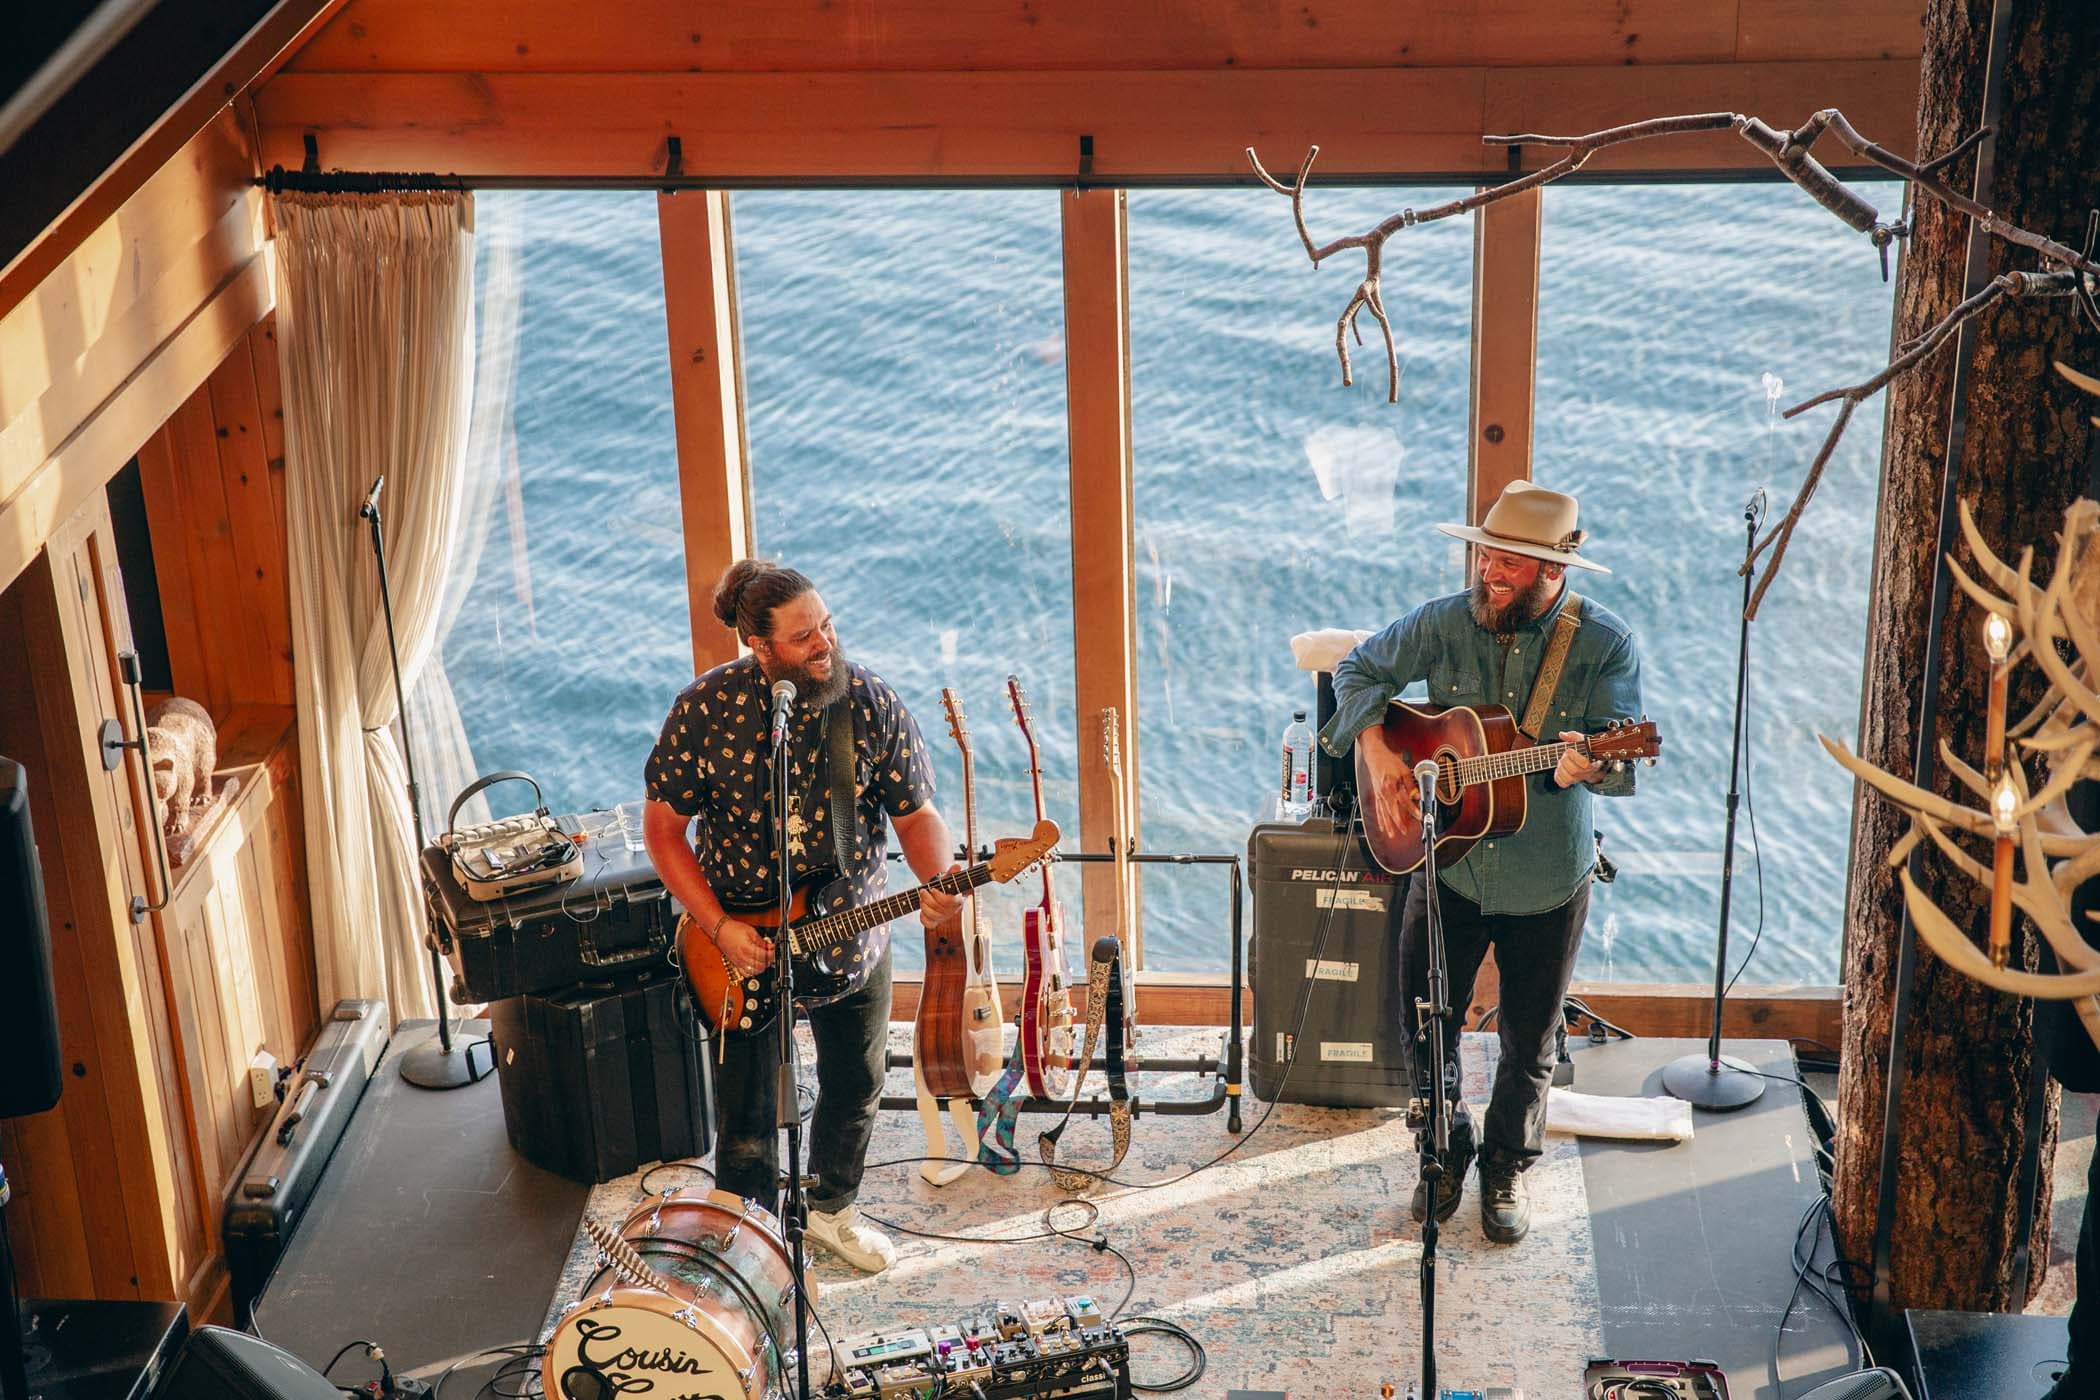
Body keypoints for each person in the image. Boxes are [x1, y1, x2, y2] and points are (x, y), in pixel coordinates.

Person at [1320, 480, 1643, 1244]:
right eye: (1485, 556)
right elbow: (1357, 673)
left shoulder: (1604, 644)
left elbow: (1624, 762)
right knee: (1423, 1022)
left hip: (1545, 878)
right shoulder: (1445, 621)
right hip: (1446, 865)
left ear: (1551, 573)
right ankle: (1443, 1151)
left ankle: (1505, 1168)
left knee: (1531, 1040)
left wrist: (1587, 766)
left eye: (1508, 565)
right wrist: (1377, 749)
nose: (1488, 573)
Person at [641, 559, 962, 1274]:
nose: (826, 644)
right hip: (738, 949)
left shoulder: (869, 702)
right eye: (803, 636)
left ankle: (832, 1213)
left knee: (857, 1085)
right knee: (747, 1122)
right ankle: (746, 1244)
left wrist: (938, 880)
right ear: (759, 647)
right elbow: (663, 831)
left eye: (827, 625)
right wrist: (719, 927)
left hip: (851, 938)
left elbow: (917, 816)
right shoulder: (704, 710)